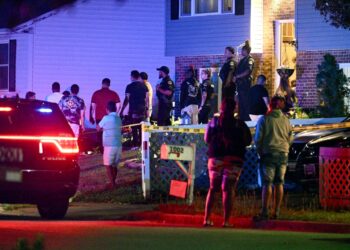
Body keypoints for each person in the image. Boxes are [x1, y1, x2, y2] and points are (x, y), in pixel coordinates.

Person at [203, 97, 252, 227]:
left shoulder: (214, 122)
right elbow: (248, 141)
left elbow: (207, 138)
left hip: (216, 158)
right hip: (234, 159)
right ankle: (226, 221)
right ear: (235, 108)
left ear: (221, 107)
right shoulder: (240, 124)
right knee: (228, 189)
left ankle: (206, 219)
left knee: (213, 188)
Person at [254, 95, 293, 221]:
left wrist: (260, 152)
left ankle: (265, 211)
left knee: (267, 184)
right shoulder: (286, 120)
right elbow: (290, 137)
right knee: (279, 183)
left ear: (270, 104)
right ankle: (276, 211)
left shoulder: (264, 119)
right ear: (281, 105)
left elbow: (258, 139)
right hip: (283, 154)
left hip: (269, 153)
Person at [97, 101, 122, 189]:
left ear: (107, 109)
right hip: (118, 144)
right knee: (114, 165)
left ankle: (112, 184)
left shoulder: (106, 117)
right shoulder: (119, 118)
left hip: (109, 144)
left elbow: (98, 128)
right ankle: (113, 182)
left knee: (108, 165)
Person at [120, 70, 149, 147]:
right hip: (142, 110)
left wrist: (122, 110)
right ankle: (142, 146)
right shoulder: (144, 86)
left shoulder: (129, 87)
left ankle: (136, 145)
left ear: (132, 77)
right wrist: (147, 110)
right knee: (141, 128)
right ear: (138, 76)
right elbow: (147, 99)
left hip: (133, 110)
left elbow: (127, 99)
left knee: (134, 129)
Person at [234, 40, 254, 121]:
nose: (241, 51)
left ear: (246, 51)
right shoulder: (242, 60)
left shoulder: (250, 60)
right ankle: (241, 119)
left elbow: (248, 71)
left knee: (245, 104)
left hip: (245, 85)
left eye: (242, 50)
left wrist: (238, 76)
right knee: (241, 104)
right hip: (240, 86)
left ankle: (246, 121)